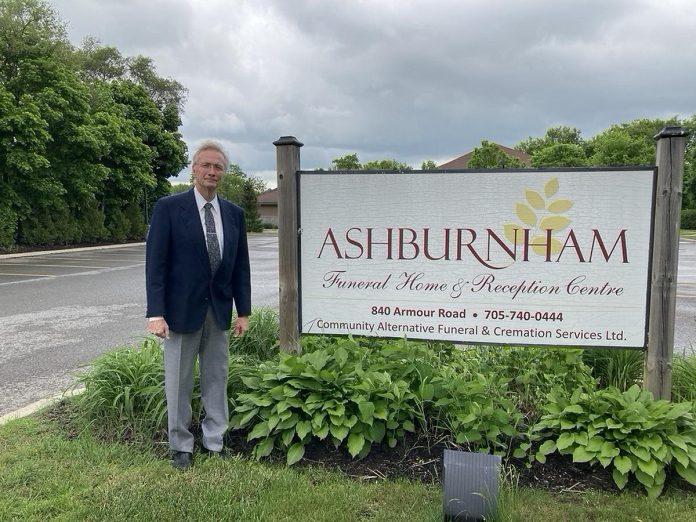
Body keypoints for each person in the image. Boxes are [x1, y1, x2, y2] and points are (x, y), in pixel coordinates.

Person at [145, 139, 251, 470]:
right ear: (193, 169)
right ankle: (180, 446)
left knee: (216, 378)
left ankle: (214, 441)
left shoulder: (234, 215)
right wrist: (155, 312)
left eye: (218, 166)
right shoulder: (168, 208)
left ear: (224, 173)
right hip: (179, 312)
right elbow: (156, 264)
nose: (211, 171)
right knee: (177, 380)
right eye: (205, 165)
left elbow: (240, 266)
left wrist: (243, 310)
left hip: (218, 311)